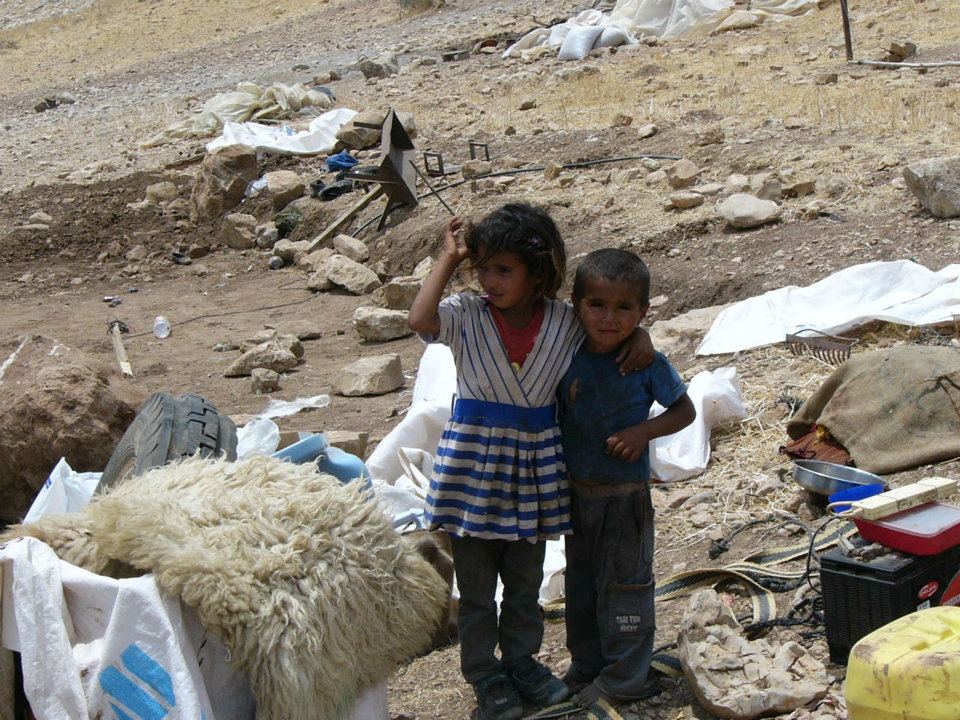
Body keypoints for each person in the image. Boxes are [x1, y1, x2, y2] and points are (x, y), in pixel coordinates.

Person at [408, 204, 654, 720]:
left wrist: (642, 335)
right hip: (471, 472)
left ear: (538, 273)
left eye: (504, 270)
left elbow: (609, 326)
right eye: (484, 269)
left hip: (534, 472)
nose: (490, 281)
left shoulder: (564, 324)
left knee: (524, 585)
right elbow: (418, 319)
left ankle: (522, 664)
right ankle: (485, 675)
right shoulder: (466, 314)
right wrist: (449, 260)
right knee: (476, 590)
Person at [557, 248, 696, 711]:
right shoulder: (565, 350)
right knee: (580, 585)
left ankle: (627, 677)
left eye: (624, 309)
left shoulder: (643, 362)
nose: (609, 318)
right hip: (577, 496)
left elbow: (685, 410)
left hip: (625, 498)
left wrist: (643, 432)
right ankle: (588, 663)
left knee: (626, 588)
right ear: (576, 304)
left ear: (642, 312)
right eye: (597, 304)